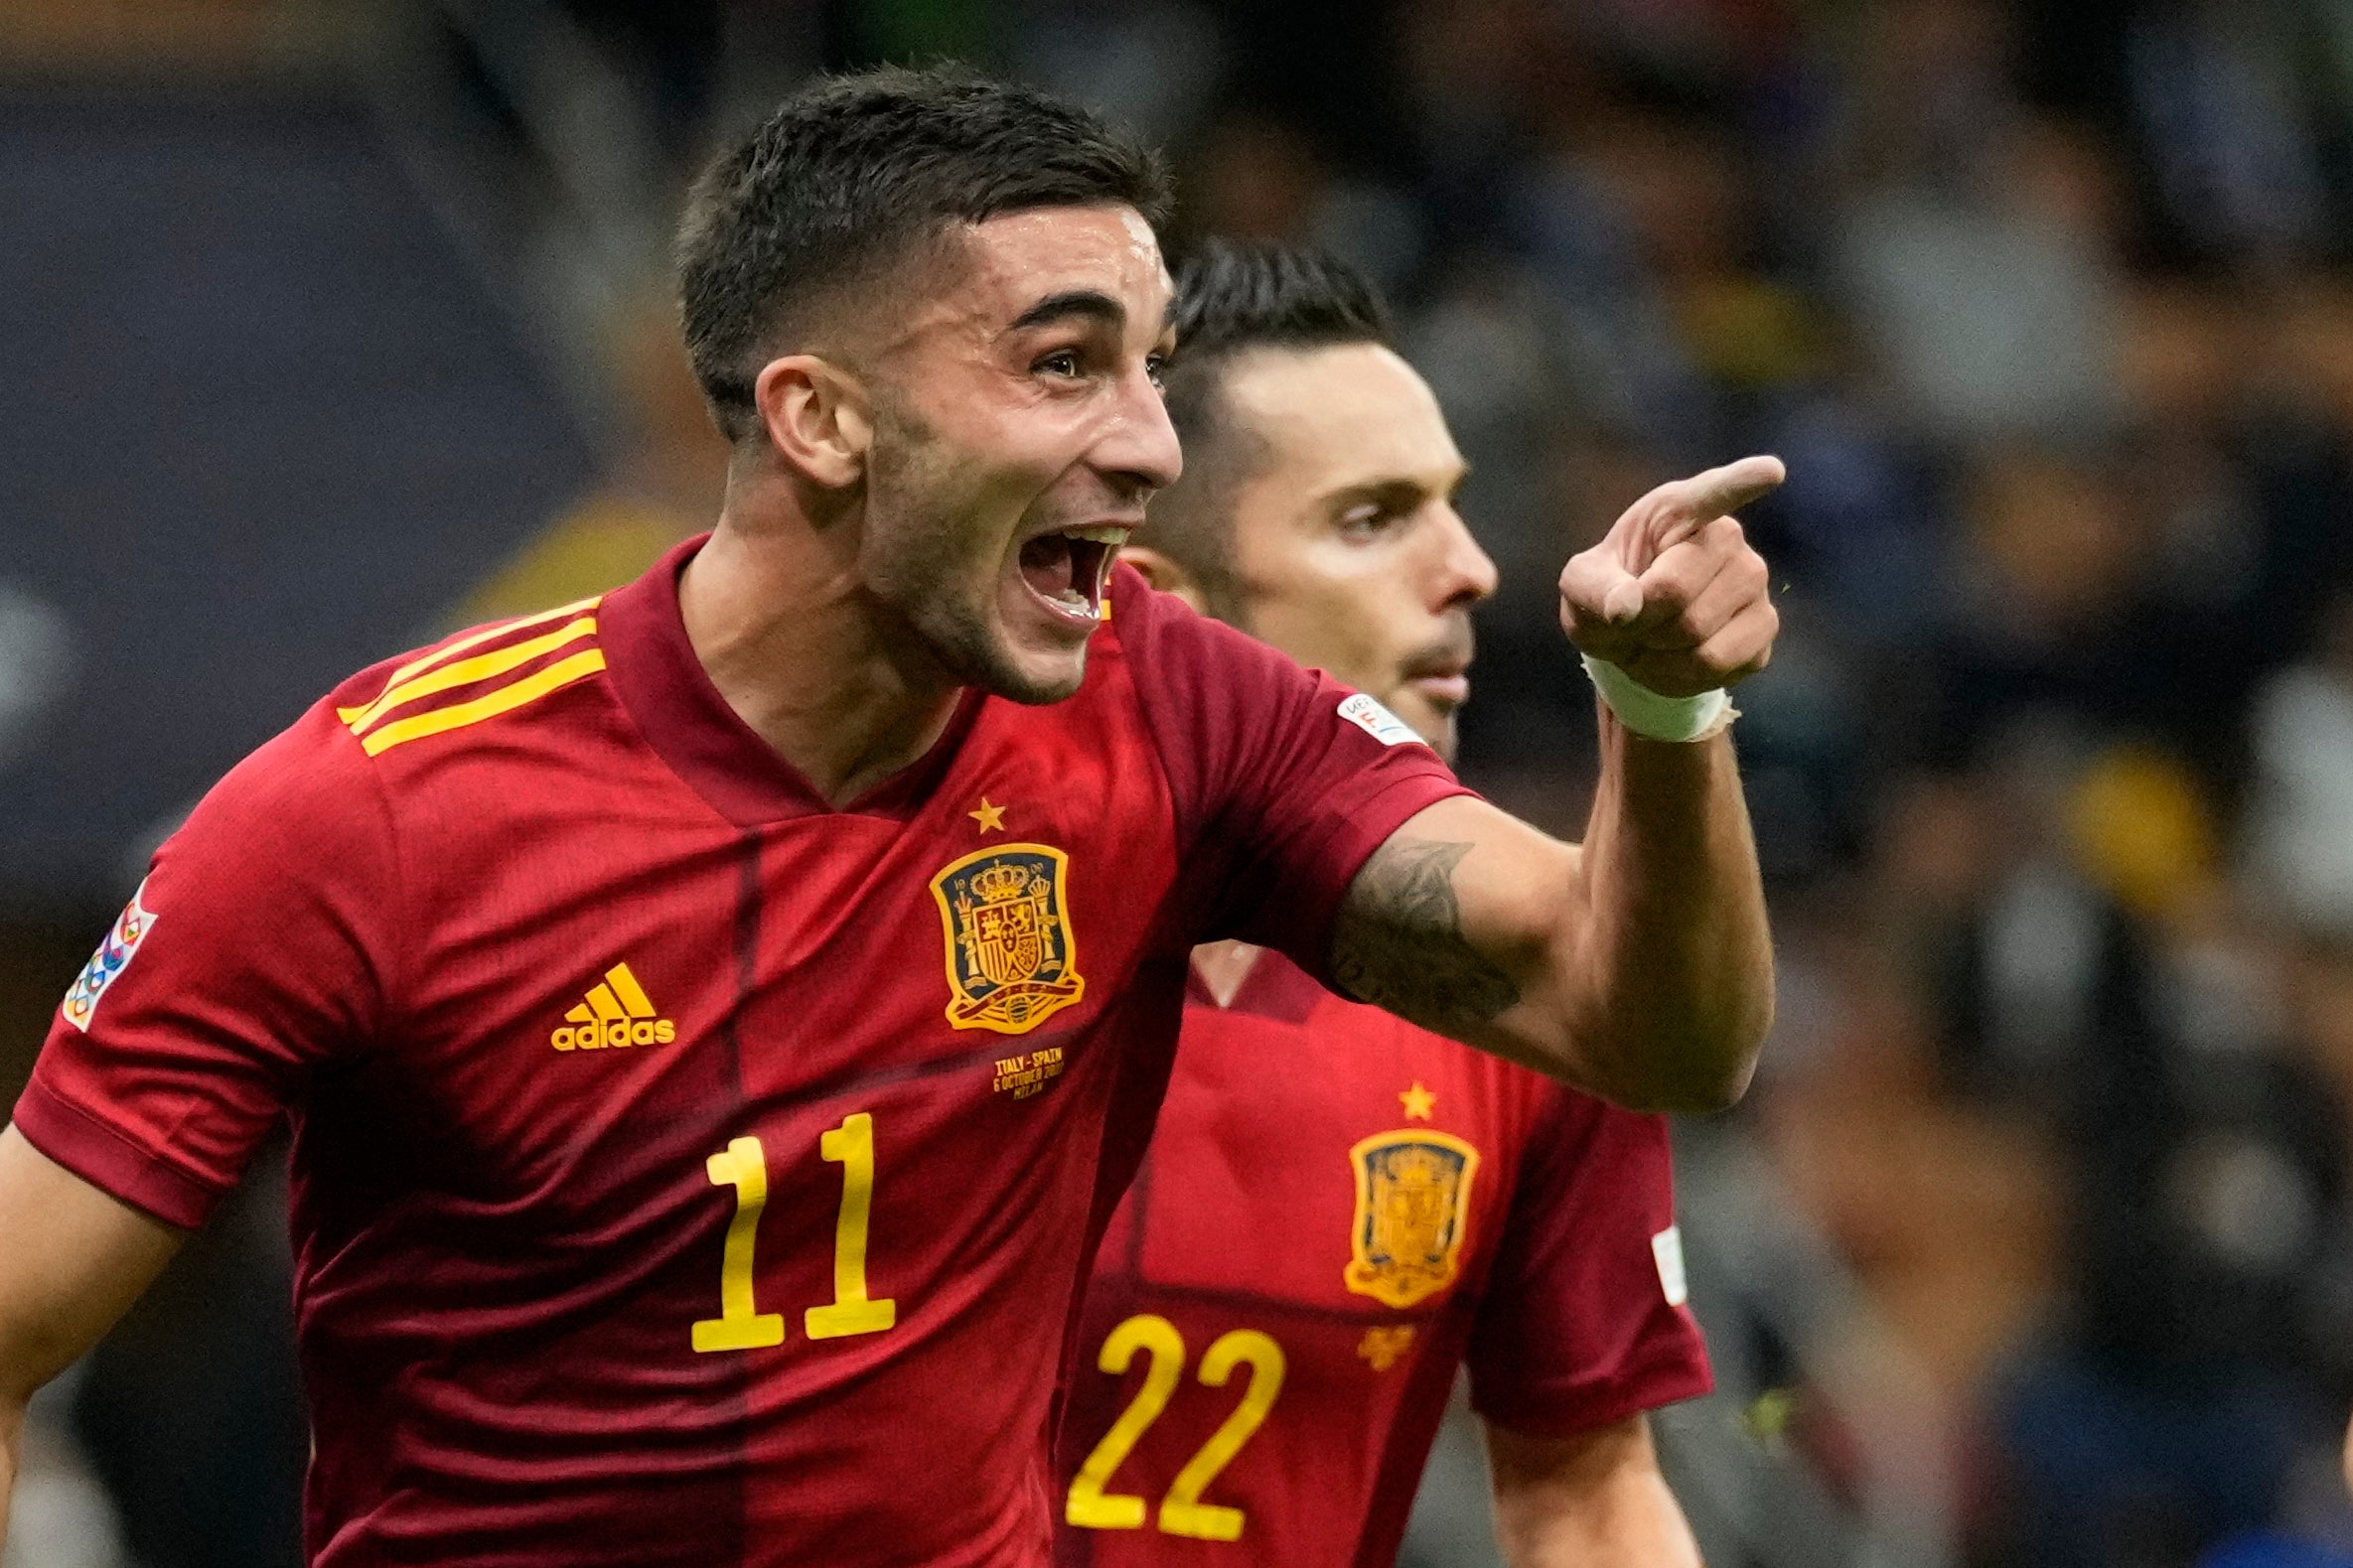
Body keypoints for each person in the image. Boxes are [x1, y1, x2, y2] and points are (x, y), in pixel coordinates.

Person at [0, 67, 1780, 1567]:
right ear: (822, 418)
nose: (1154, 444)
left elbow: (1638, 1023)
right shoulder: (372, 809)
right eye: (1066, 364)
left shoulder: (1175, 706)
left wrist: (1663, 710)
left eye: (1153, 367)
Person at [1054, 242, 1707, 1568]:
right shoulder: (911, 926)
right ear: (1157, 608)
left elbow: (1584, 1489)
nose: (1469, 568)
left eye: (1453, 508)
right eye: (1371, 517)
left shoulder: (1523, 986)